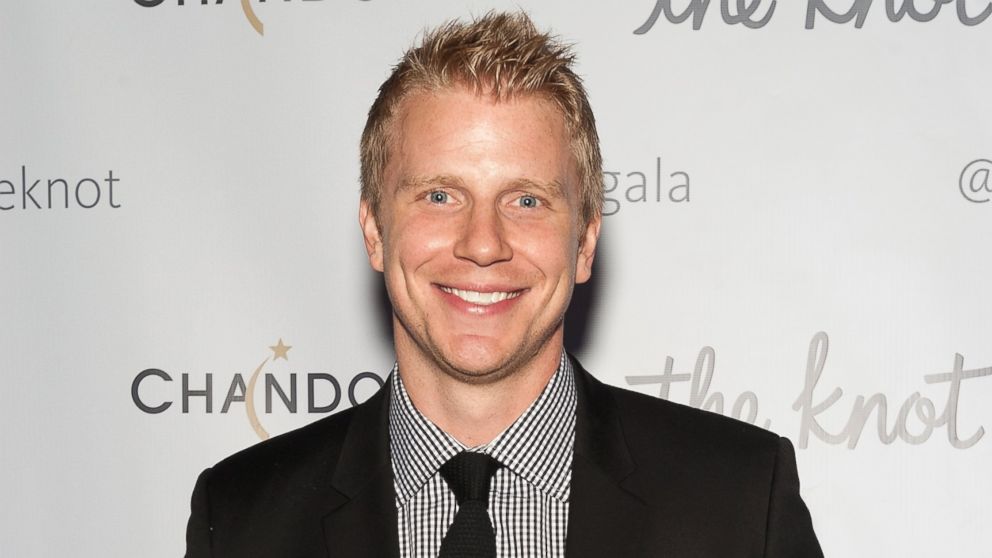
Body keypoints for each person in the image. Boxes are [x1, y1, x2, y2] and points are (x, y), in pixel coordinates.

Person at [185, 11, 823, 558]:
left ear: (585, 242)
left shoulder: (738, 504)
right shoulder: (244, 520)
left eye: (526, 200)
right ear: (374, 230)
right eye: (439, 195)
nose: (483, 243)